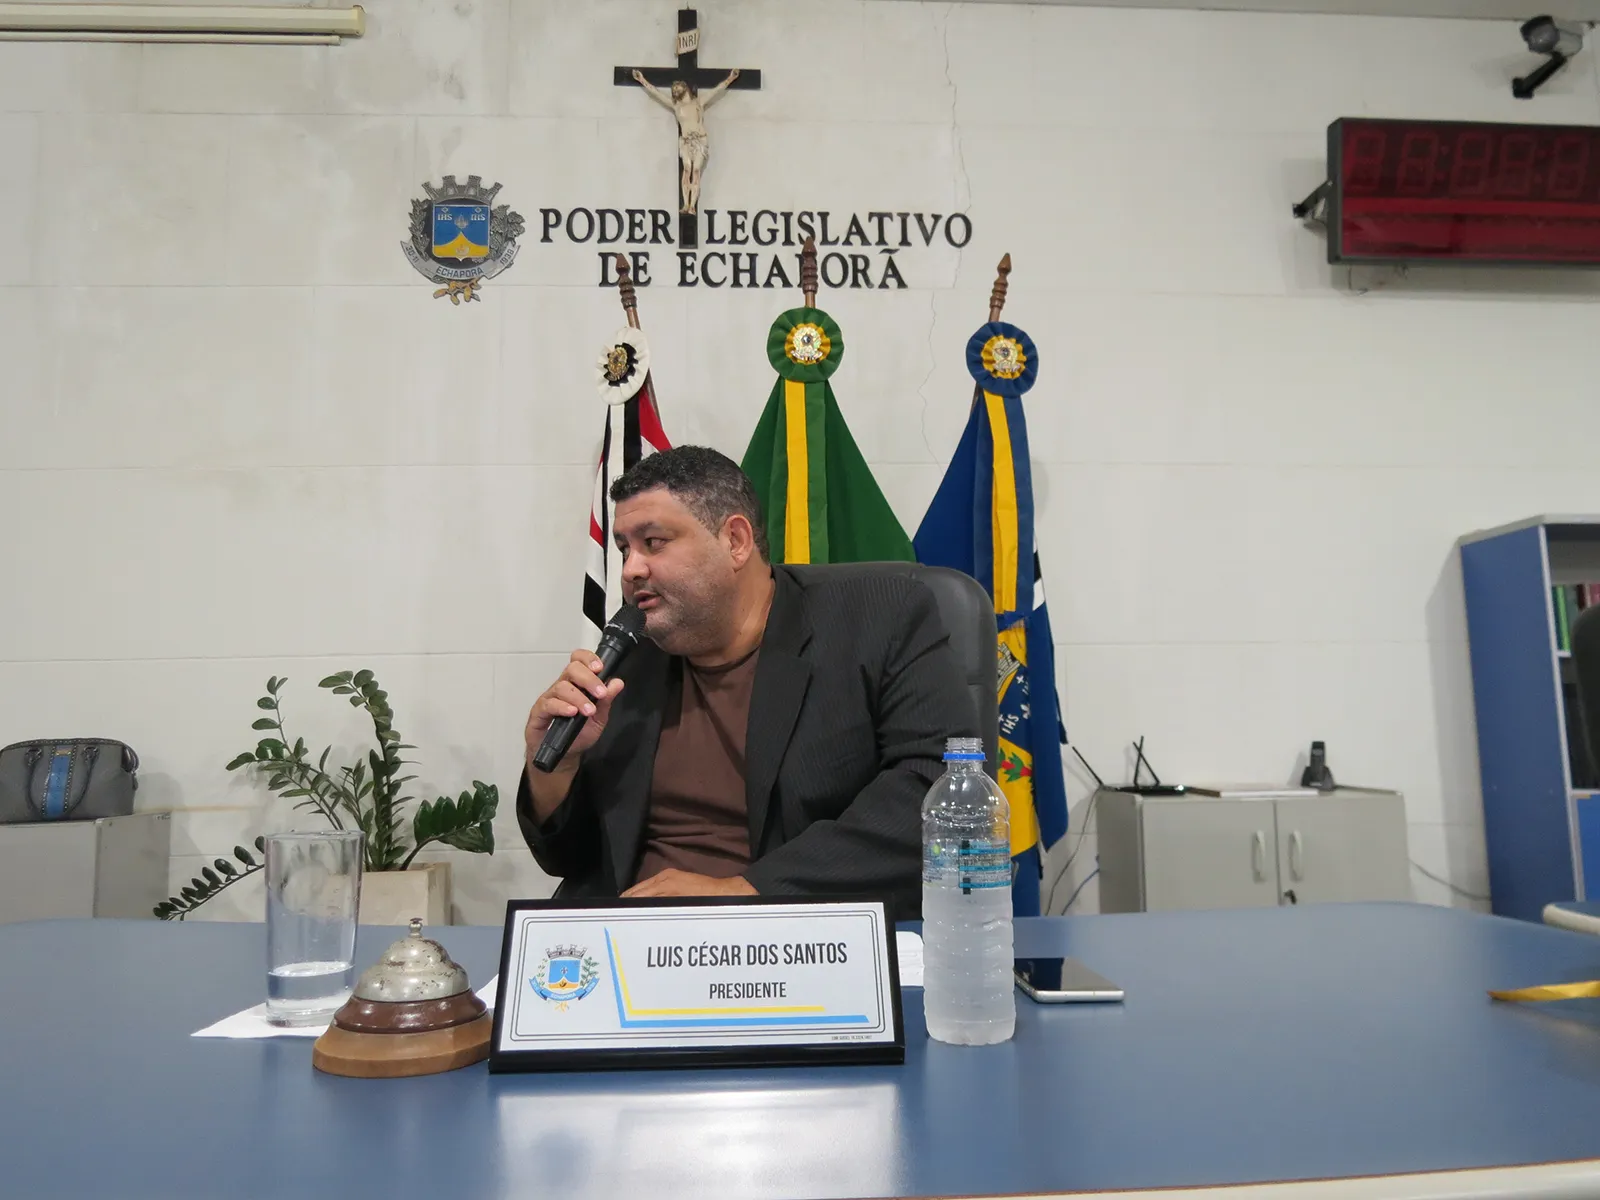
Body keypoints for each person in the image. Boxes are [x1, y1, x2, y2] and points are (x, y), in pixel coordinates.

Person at [518, 445, 978, 918]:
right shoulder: (630, 655)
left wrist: (748, 892)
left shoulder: (878, 619)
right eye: (623, 549)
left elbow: (939, 791)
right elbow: (569, 859)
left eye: (653, 542)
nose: (631, 569)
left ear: (735, 541)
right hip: (628, 937)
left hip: (790, 933)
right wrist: (557, 766)